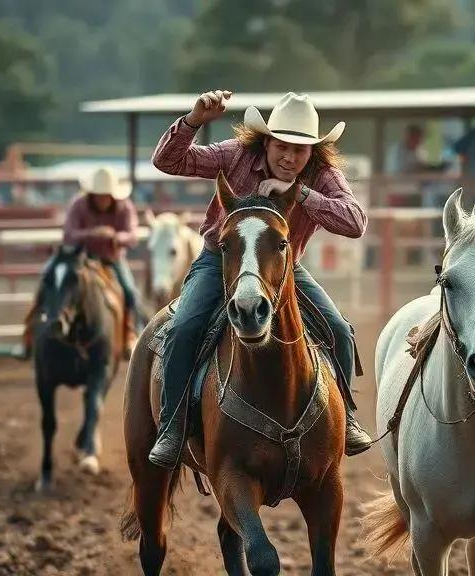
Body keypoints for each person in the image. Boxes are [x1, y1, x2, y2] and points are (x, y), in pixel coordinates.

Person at [148, 90, 373, 469]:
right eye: (282, 146)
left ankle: (346, 417)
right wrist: (193, 121)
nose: (289, 157)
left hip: (281, 270)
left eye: (300, 151)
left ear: (312, 152)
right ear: (266, 142)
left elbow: (355, 222)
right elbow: (169, 161)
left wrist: (301, 194)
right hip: (220, 261)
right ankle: (172, 426)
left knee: (339, 329)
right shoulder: (236, 154)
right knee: (184, 327)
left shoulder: (320, 175)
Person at [22, 166, 141, 356]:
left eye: (105, 195)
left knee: (130, 292)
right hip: (78, 258)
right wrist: (93, 234)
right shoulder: (79, 204)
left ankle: (129, 334)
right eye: (98, 195)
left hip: (111, 259)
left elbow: (133, 235)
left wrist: (115, 237)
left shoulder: (124, 207)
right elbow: (68, 234)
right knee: (47, 278)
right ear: (91, 193)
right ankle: (29, 332)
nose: (102, 199)